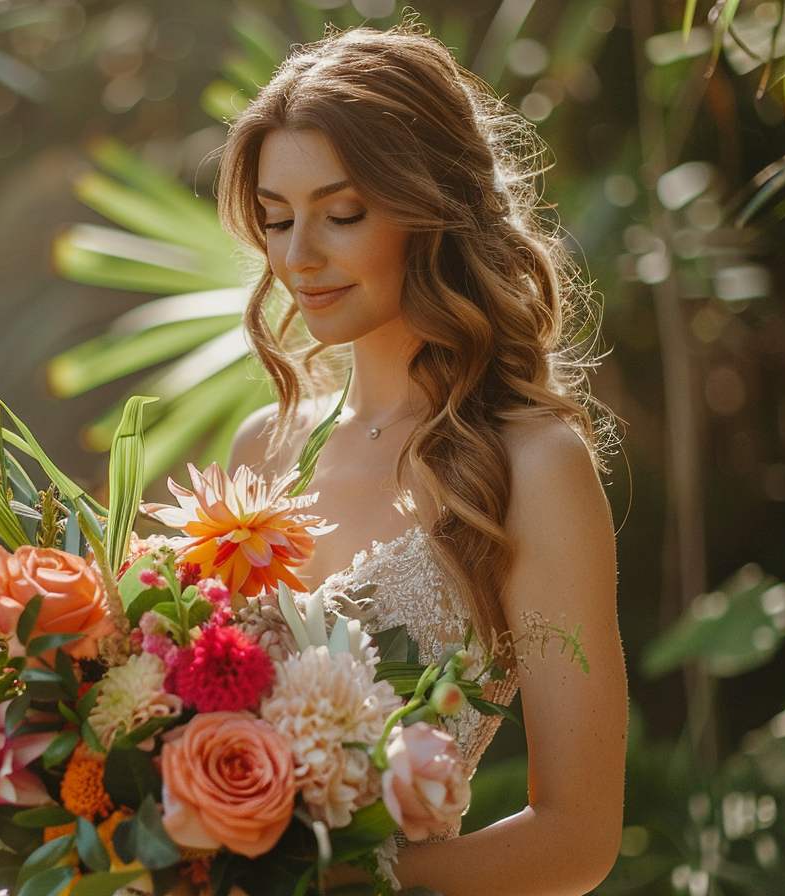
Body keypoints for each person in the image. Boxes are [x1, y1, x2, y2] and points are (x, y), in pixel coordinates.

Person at [221, 24, 628, 896]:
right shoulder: (263, 450)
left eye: (342, 214)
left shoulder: (533, 468)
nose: (300, 258)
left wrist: (331, 883)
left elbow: (580, 837)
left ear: (430, 206)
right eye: (278, 219)